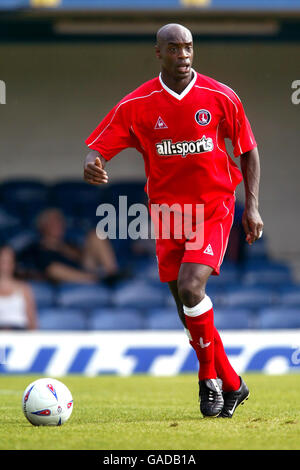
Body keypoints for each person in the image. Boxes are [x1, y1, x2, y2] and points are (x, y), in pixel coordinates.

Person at [83, 24, 264, 418]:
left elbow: (248, 151)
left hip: (214, 207)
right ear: (158, 53)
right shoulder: (138, 103)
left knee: (190, 286)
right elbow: (99, 146)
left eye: (188, 48)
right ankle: (234, 383)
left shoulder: (220, 96)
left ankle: (208, 381)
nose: (183, 55)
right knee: (186, 307)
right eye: (174, 48)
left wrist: (251, 206)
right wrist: (92, 164)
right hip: (166, 214)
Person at [18, 208, 122, 285]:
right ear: (43, 226)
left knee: (96, 234)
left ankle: (112, 275)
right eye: (53, 222)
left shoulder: (69, 243)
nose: (58, 225)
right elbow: (48, 270)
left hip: (84, 269)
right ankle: (97, 279)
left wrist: (64, 249)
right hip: (61, 278)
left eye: (60, 221)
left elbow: (82, 259)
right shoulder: (36, 247)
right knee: (55, 270)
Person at [0, 245, 37, 330]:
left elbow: (32, 321)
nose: (5, 265)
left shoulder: (24, 288)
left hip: (20, 334)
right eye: (2, 261)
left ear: (14, 263)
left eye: (9, 261)